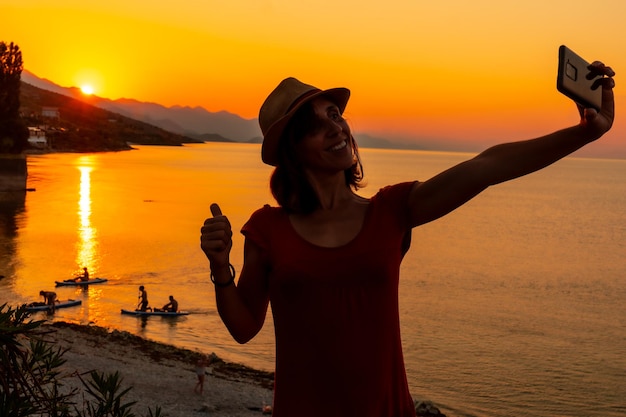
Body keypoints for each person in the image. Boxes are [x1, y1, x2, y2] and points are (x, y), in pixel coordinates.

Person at [200, 63, 615, 417]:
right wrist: (221, 268)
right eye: (315, 124)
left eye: (335, 114)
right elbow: (243, 327)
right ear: (292, 151)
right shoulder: (267, 230)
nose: (335, 126)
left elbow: (487, 166)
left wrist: (583, 133)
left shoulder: (391, 211)